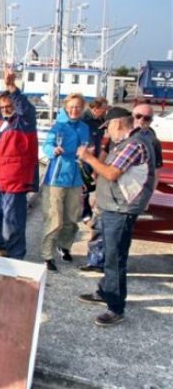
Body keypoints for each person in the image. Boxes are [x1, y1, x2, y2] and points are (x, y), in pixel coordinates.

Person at [76, 107, 155, 326]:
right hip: (112, 206)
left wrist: (88, 157)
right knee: (109, 254)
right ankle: (106, 291)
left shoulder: (133, 145)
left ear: (118, 123)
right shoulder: (125, 144)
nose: (108, 132)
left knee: (115, 258)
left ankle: (115, 307)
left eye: (109, 127)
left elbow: (111, 173)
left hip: (121, 210)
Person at [0, 71, 39, 260]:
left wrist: (12, 87)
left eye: (9, 106)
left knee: (12, 222)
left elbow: (25, 108)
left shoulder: (24, 122)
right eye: (2, 106)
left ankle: (15, 255)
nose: (5, 109)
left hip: (13, 181)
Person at [41, 93, 90, 271]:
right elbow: (46, 145)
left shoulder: (84, 127)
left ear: (82, 108)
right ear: (66, 107)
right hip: (56, 177)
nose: (74, 110)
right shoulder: (59, 126)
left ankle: (64, 245)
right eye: (71, 106)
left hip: (75, 178)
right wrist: (53, 150)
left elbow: (86, 148)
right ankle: (47, 255)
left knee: (71, 219)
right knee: (54, 219)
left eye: (78, 106)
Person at [80, 97, 108, 222]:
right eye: (103, 109)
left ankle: (91, 209)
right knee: (85, 184)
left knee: (94, 183)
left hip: (96, 153)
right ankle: (85, 212)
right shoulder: (84, 120)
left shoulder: (101, 120)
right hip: (86, 155)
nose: (105, 111)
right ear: (95, 109)